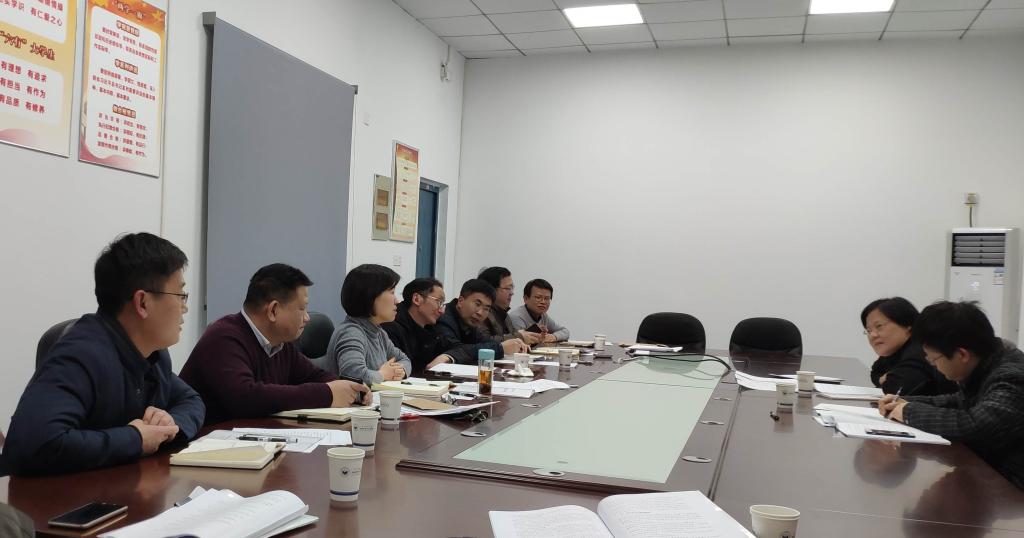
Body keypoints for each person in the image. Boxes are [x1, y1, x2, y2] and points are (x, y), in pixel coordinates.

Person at [2, 233, 205, 476]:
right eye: (180, 295)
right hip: (54, 497)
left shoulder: (154, 355)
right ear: (143, 303)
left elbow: (191, 401)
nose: (185, 307)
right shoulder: (81, 356)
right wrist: (135, 438)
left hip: (122, 488)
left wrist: (169, 425)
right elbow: (33, 444)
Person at [180, 264, 370, 424]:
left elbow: (313, 375)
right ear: (273, 310)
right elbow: (245, 397)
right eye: (302, 308)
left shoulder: (281, 343)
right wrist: (327, 394)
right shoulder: (223, 337)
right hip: (206, 446)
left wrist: (351, 388)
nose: (307, 318)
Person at [879, 301, 1024, 489]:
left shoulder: (1012, 377)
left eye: (934, 359)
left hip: (1012, 489)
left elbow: (974, 426)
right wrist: (904, 402)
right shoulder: (987, 362)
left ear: (962, 354)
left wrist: (908, 412)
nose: (934, 365)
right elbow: (959, 401)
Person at [324, 264, 412, 384]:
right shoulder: (351, 332)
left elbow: (404, 360)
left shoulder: (379, 332)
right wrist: (383, 374)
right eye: (392, 292)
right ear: (370, 296)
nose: (397, 301)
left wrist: (400, 371)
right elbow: (353, 376)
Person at [862, 297, 957, 396]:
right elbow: (876, 372)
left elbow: (895, 390)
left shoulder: (921, 350)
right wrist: (884, 379)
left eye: (879, 326)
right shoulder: (893, 353)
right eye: (869, 330)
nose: (873, 335)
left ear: (907, 324)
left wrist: (887, 378)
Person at [382, 277, 475, 372]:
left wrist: (447, 356)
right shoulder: (390, 328)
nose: (442, 311)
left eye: (442, 303)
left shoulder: (431, 329)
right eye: (439, 302)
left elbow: (462, 349)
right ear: (417, 299)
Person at [436, 279, 528, 363]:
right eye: (477, 304)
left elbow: (485, 342)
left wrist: (512, 343)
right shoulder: (443, 318)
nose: (480, 313)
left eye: (486, 309)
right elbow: (455, 350)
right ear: (460, 301)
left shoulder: (470, 321)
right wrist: (501, 348)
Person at [478, 266, 540, 345]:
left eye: (512, 288)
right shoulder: (481, 313)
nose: (512, 293)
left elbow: (512, 335)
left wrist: (531, 335)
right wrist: (520, 337)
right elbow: (484, 341)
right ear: (491, 290)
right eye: (507, 288)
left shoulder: (503, 313)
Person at [507, 278, 570, 343]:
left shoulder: (544, 316)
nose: (543, 302)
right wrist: (537, 330)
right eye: (538, 297)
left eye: (546, 298)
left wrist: (553, 337)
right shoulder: (516, 316)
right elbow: (519, 342)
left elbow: (565, 331)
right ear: (526, 299)